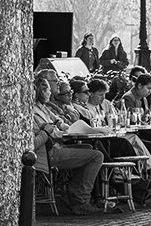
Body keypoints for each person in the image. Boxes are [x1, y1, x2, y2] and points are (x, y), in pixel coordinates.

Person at [32, 73, 104, 215]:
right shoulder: (35, 110)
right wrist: (67, 131)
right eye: (47, 90)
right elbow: (49, 132)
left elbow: (59, 122)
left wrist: (67, 127)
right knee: (97, 156)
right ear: (40, 91)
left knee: (89, 148)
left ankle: (75, 192)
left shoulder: (44, 107)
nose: (51, 92)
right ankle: (80, 199)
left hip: (55, 145)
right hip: (48, 152)